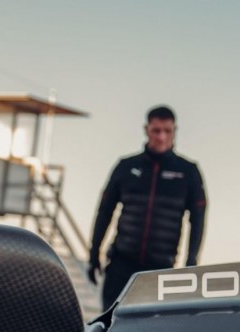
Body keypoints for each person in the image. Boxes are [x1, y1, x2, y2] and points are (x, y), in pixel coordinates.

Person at [87, 105, 207, 310]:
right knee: (109, 323)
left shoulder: (188, 172)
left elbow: (198, 220)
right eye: (156, 130)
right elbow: (104, 211)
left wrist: (191, 263)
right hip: (121, 265)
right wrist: (94, 253)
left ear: (174, 131)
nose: (161, 137)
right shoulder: (126, 167)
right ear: (146, 130)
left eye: (167, 131)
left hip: (160, 270)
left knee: (151, 327)